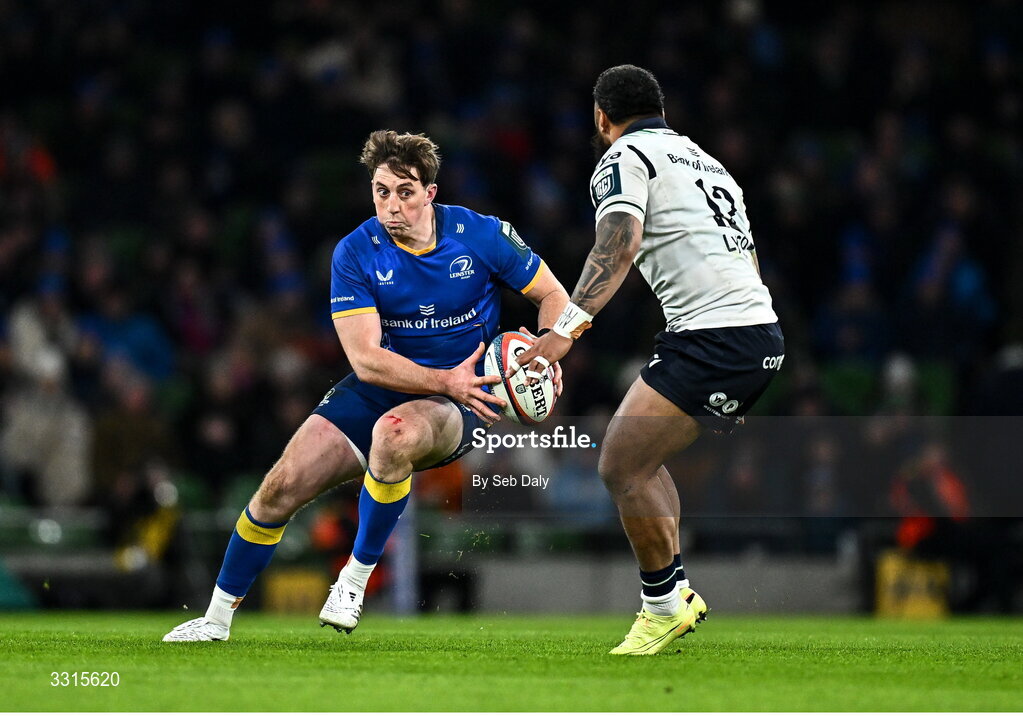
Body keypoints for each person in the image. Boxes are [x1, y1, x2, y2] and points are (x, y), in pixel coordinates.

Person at [164, 130, 567, 641]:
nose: (392, 205)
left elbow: (554, 295)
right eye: (382, 191)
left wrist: (547, 351)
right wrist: (444, 377)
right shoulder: (355, 252)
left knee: (393, 435)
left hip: (460, 398)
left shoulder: (482, 235)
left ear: (431, 193)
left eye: (405, 191)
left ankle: (353, 580)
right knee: (278, 488)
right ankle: (215, 620)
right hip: (388, 384)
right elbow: (365, 359)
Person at [513, 65, 784, 655]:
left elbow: (619, 241)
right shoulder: (709, 164)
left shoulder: (623, 158)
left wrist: (566, 327)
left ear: (601, 118)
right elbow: (745, 257)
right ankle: (674, 594)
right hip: (755, 332)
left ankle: (660, 605)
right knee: (641, 459)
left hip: (715, 335)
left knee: (619, 464)